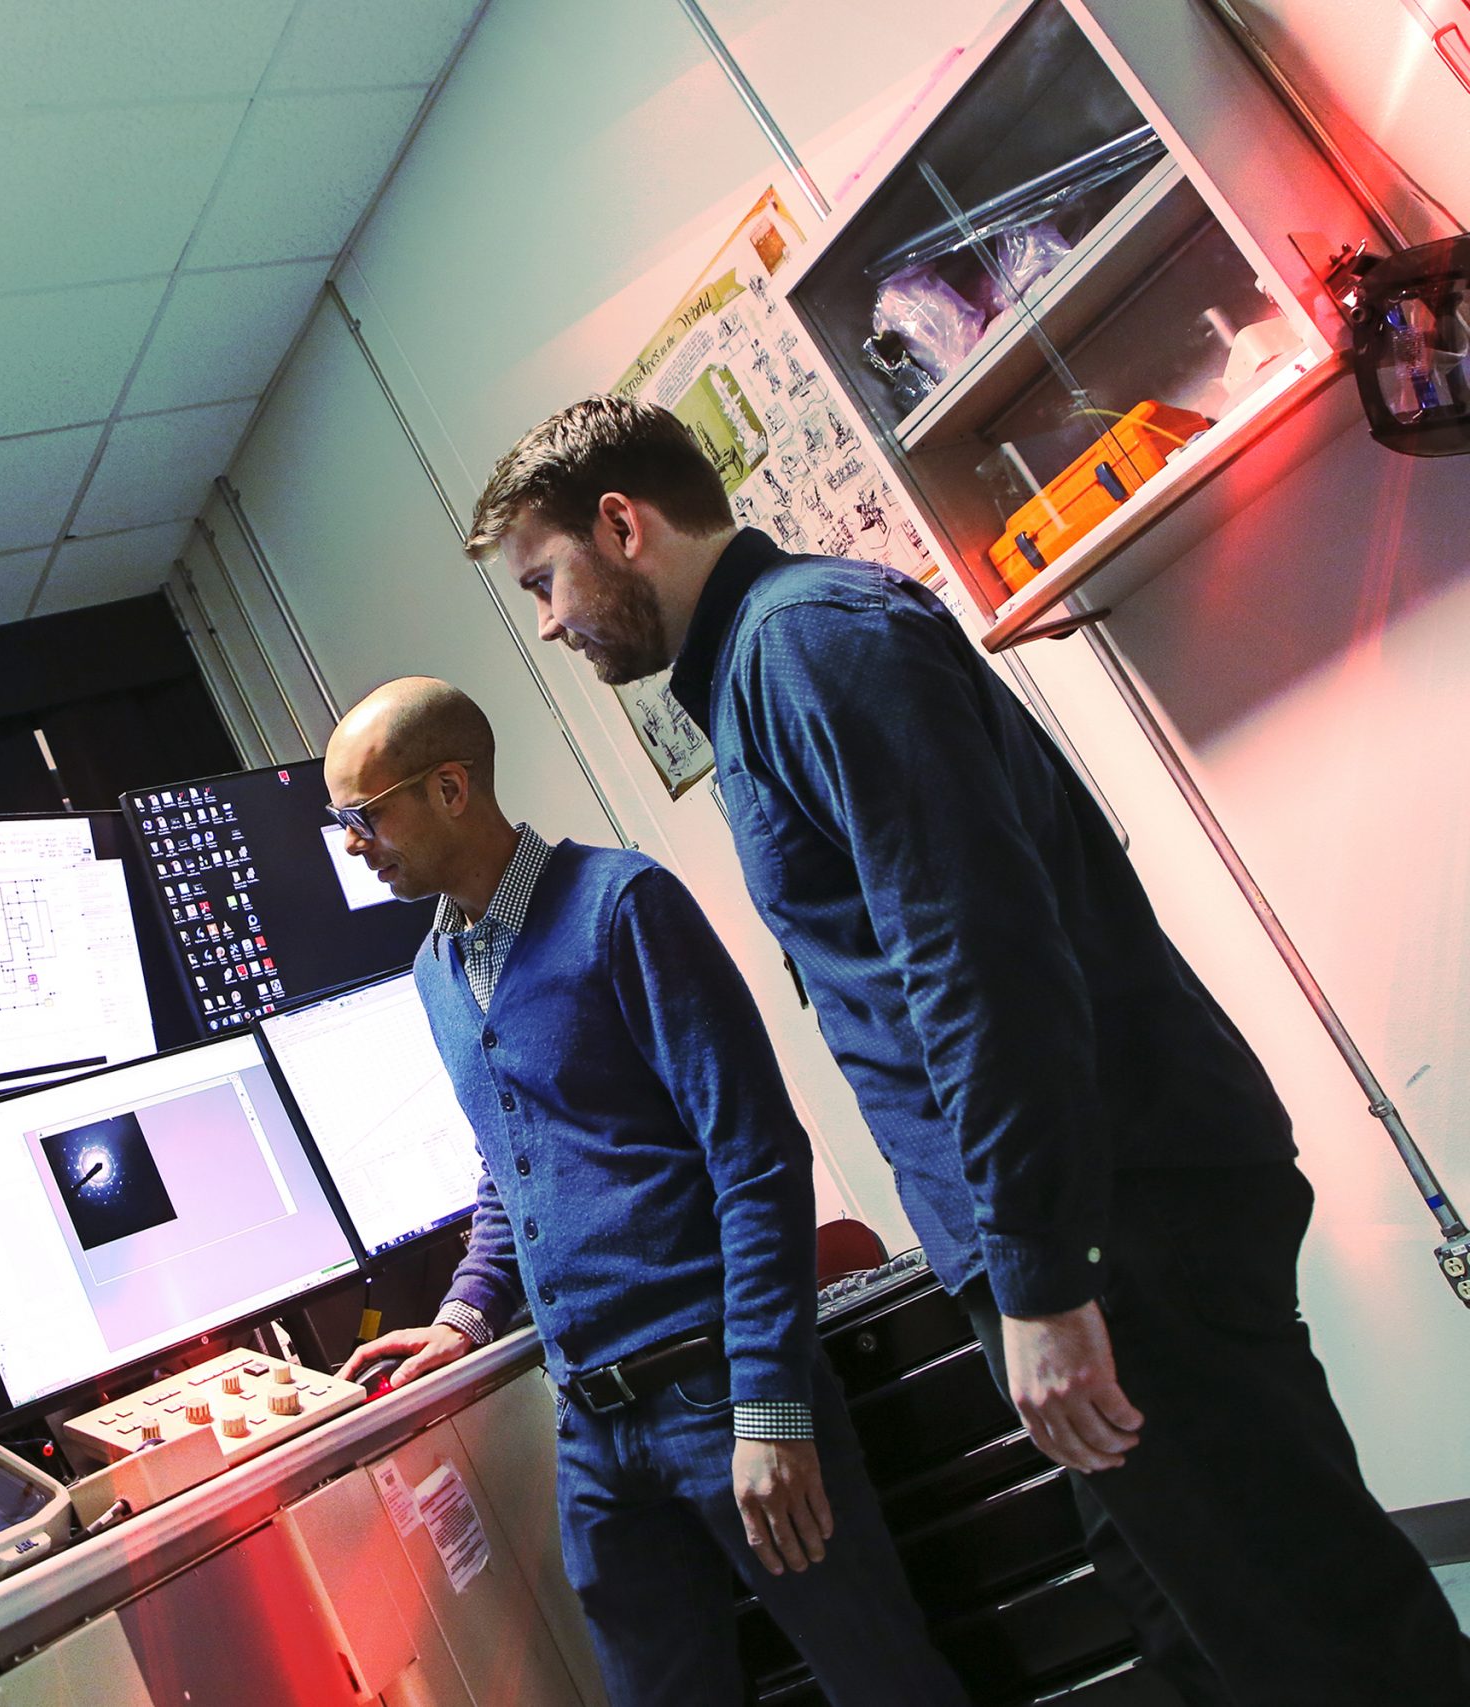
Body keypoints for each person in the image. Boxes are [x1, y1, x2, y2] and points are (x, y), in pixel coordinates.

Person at [464, 393, 1470, 1706]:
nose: (549, 622)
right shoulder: (763, 671)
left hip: (1108, 1236)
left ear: (620, 523)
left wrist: (1043, 1275)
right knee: (1189, 1626)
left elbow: (978, 967)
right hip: (1072, 1239)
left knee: (1316, 1633)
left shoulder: (807, 643)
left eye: (543, 580)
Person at [330, 677, 968, 1707]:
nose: (354, 845)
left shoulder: (621, 907)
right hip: (593, 1427)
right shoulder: (435, 973)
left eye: (364, 815)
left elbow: (756, 1157)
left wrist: (771, 1405)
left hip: (721, 1388)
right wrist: (462, 1317)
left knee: (882, 1681)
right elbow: (511, 1161)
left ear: (450, 787)